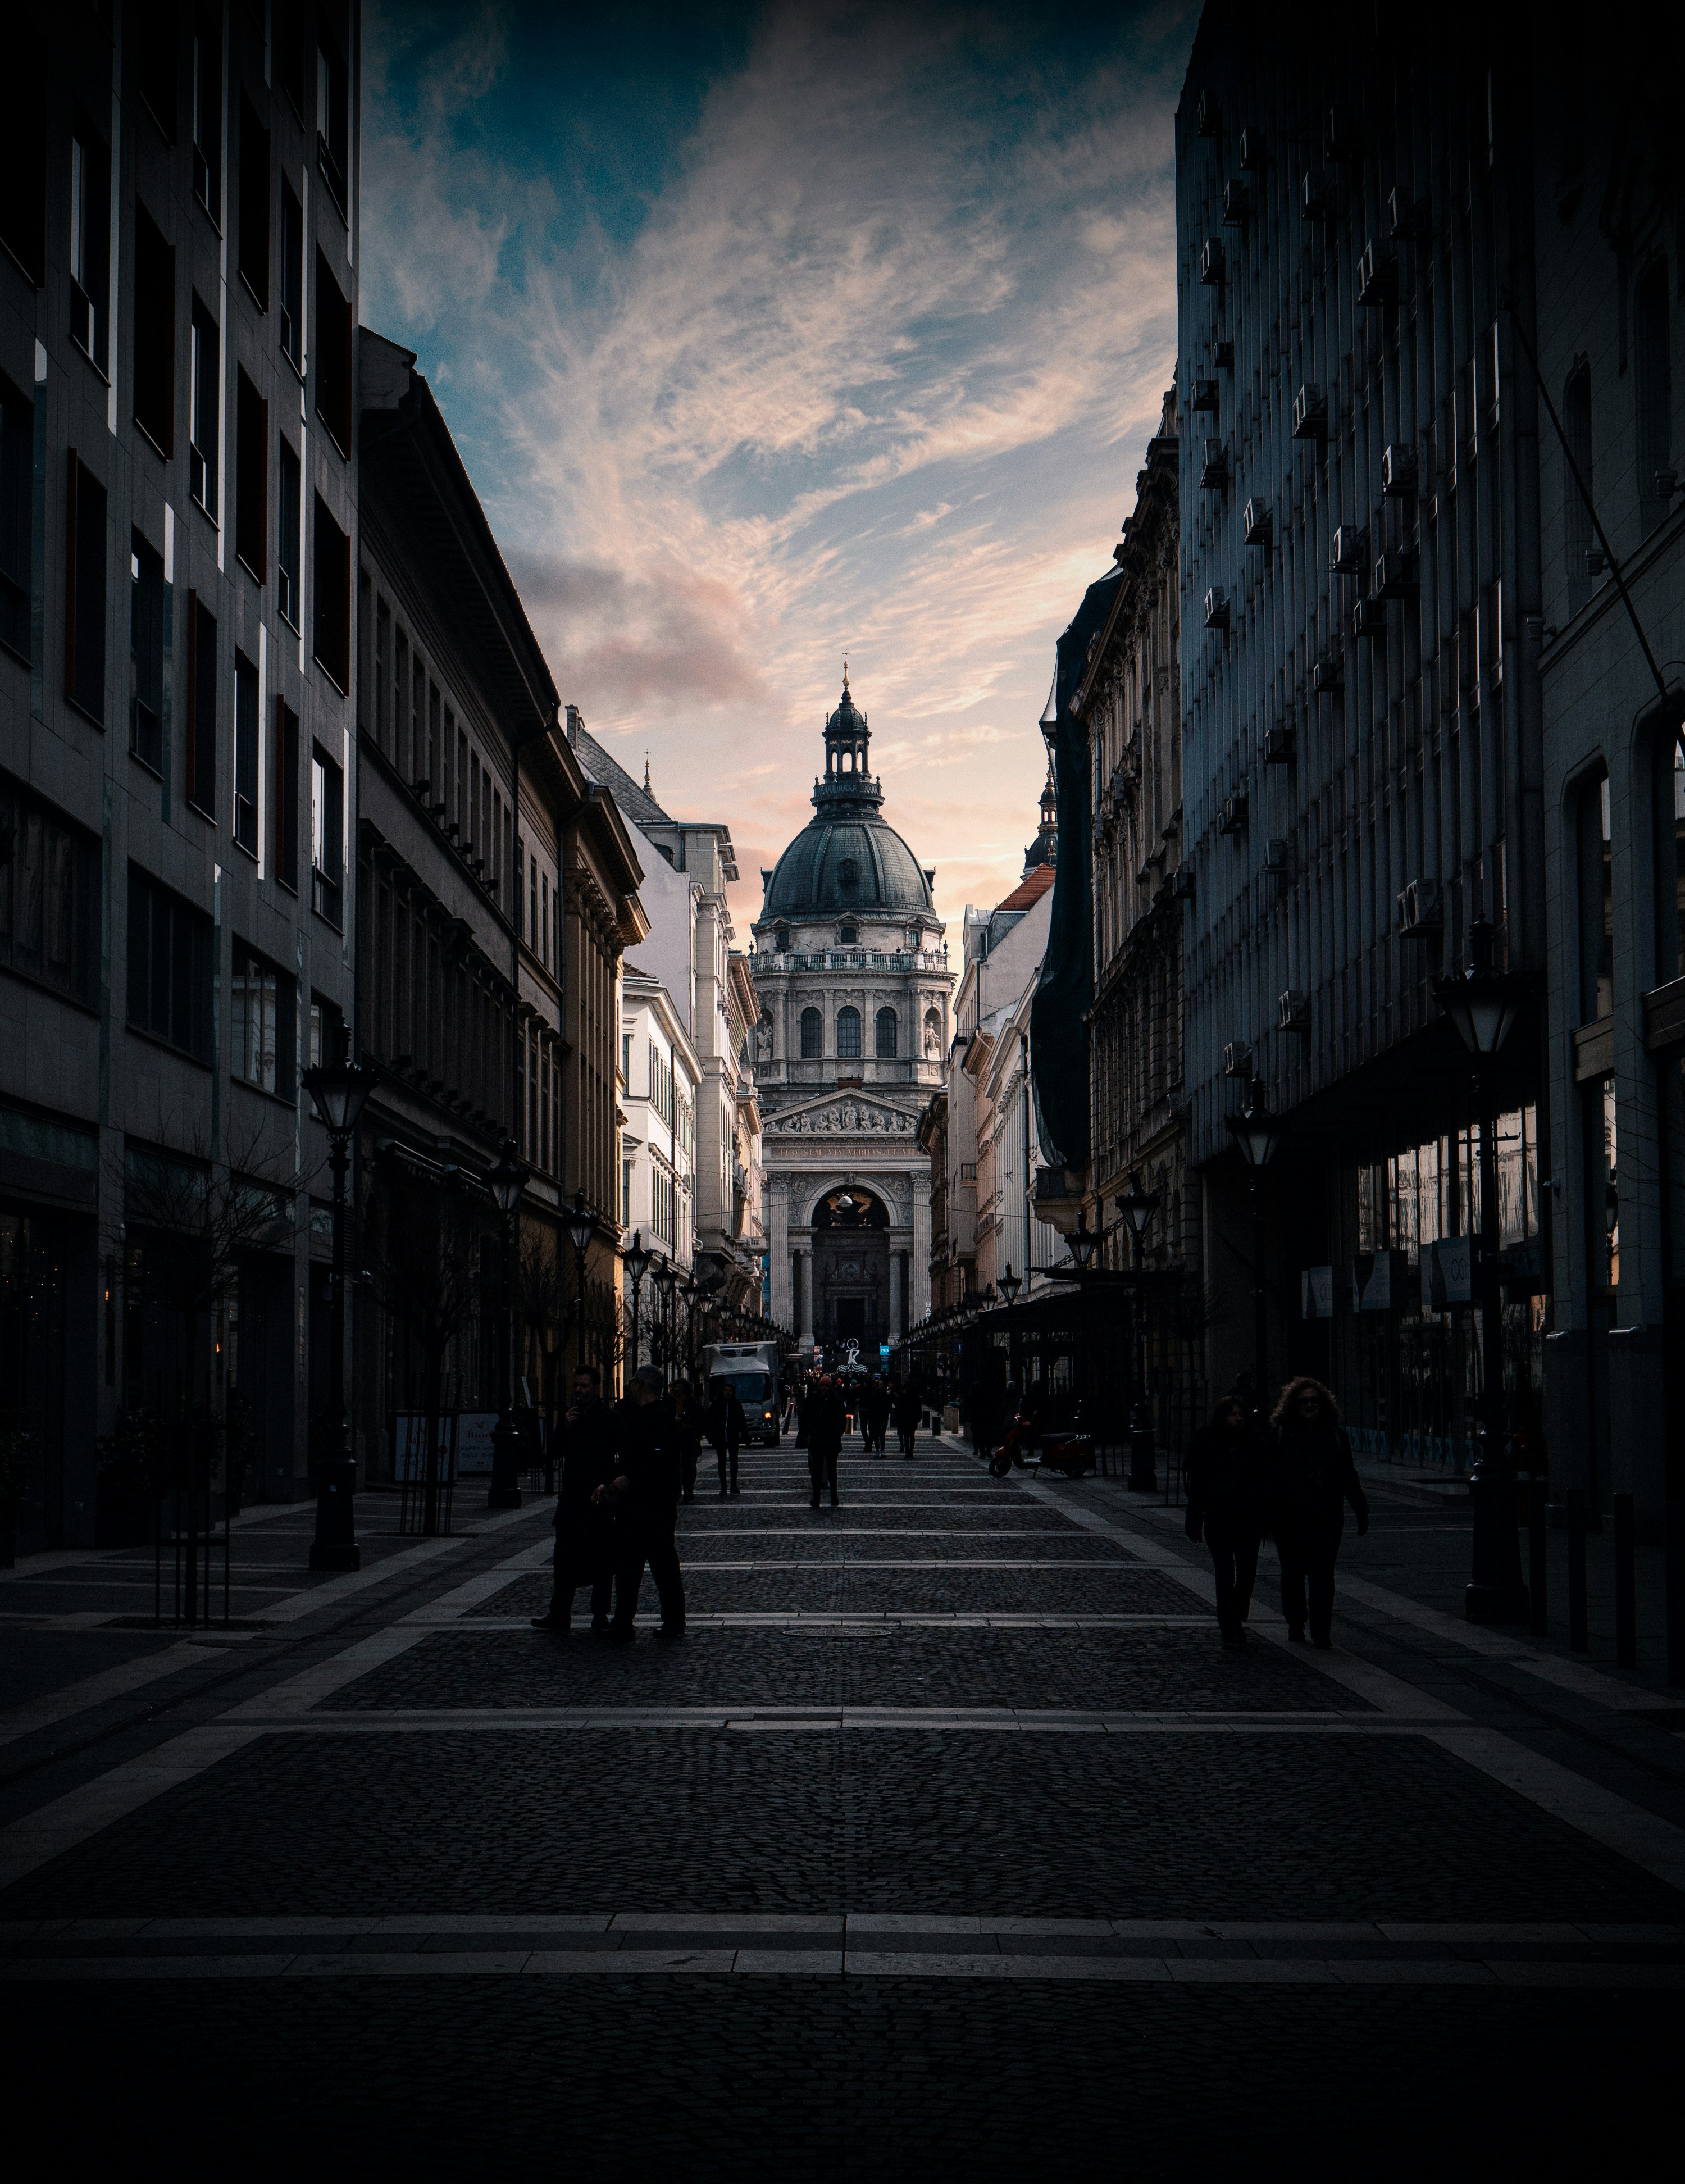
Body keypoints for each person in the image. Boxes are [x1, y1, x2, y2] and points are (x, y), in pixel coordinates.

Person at [1268, 1375, 1369, 1649]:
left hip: (1326, 1517)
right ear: (1293, 1404)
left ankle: (1322, 1630)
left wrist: (1361, 1509)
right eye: (1304, 1401)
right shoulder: (1281, 1433)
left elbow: (1349, 1474)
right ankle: (1296, 1622)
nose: (1310, 1405)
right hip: (1289, 1518)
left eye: (1315, 1400)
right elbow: (1268, 1477)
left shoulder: (1335, 1435)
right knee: (1292, 1573)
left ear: (1323, 1404)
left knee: (1323, 1575)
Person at [531, 1363, 618, 1633]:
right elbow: (554, 1453)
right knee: (564, 1557)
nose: (580, 1391)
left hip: (597, 1498)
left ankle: (600, 1614)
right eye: (576, 1385)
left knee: (602, 1559)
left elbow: (621, 1456)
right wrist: (565, 1427)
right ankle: (560, 1613)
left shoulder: (609, 1417)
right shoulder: (572, 1417)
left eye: (585, 1386)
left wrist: (608, 1485)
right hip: (572, 1499)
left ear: (596, 1387)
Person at [602, 1365, 686, 1641]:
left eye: (633, 1382)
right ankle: (625, 1620)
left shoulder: (659, 1419)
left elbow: (657, 1460)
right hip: (642, 1504)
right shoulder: (648, 1417)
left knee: (659, 1565)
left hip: (652, 1504)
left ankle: (670, 1620)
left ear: (642, 1385)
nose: (630, 1386)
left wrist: (629, 1478)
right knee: (632, 1565)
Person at [1183, 1395, 1268, 1649]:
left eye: (1241, 1414)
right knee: (1224, 1573)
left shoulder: (1254, 1442)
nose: (1238, 1419)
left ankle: (1238, 1608)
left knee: (1247, 1572)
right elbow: (1197, 1484)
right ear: (1222, 1417)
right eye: (1232, 1414)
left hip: (1248, 1518)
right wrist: (1194, 1518)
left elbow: (1265, 1481)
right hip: (1219, 1517)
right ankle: (1230, 1627)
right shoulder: (1206, 1440)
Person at [805, 1373, 846, 1509]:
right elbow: (807, 1420)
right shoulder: (813, 1401)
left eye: (826, 1386)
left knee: (832, 1470)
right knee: (817, 1471)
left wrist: (837, 1435)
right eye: (822, 1386)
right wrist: (812, 1432)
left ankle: (834, 1497)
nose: (824, 1388)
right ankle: (816, 1498)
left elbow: (842, 1422)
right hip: (818, 1440)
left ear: (830, 1387)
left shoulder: (837, 1402)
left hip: (831, 1440)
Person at [705, 1378, 746, 1496]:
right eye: (726, 1390)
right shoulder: (717, 1404)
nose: (728, 1393)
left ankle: (734, 1484)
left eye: (730, 1391)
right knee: (721, 1462)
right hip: (720, 1437)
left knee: (734, 1461)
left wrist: (744, 1434)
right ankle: (723, 1486)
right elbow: (711, 1421)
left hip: (733, 1437)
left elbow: (742, 1420)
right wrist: (711, 1435)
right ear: (722, 1392)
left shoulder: (736, 1404)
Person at [670, 1380, 704, 1504]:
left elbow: (700, 1419)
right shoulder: (669, 1402)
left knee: (688, 1465)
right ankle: (678, 1490)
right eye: (676, 1387)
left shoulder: (692, 1403)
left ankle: (688, 1490)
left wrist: (692, 1427)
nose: (677, 1390)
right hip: (674, 1438)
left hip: (689, 1437)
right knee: (676, 1466)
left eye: (680, 1387)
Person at [892, 1378, 922, 1460]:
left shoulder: (913, 1397)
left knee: (910, 1435)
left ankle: (909, 1452)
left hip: (909, 1417)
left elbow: (918, 1407)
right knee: (909, 1435)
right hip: (907, 1417)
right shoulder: (907, 1396)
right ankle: (908, 1452)